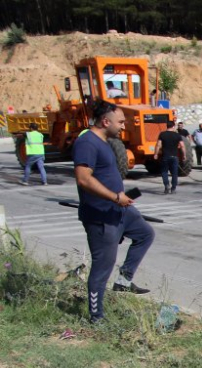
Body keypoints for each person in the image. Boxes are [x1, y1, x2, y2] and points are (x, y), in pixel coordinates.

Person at [73, 101, 155, 323]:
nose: (123, 125)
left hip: (119, 209)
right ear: (105, 121)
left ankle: (124, 281)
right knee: (102, 267)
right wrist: (115, 197)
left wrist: (120, 198)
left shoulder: (105, 142)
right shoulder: (87, 143)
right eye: (120, 122)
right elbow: (83, 178)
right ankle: (96, 316)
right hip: (101, 214)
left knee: (145, 234)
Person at [154, 120, 185, 194]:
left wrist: (156, 154)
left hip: (165, 156)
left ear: (167, 126)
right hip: (174, 157)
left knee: (164, 172)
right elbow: (182, 146)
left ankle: (166, 185)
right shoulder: (177, 135)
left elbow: (158, 145)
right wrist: (184, 155)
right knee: (174, 173)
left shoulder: (162, 134)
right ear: (173, 126)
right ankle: (173, 188)